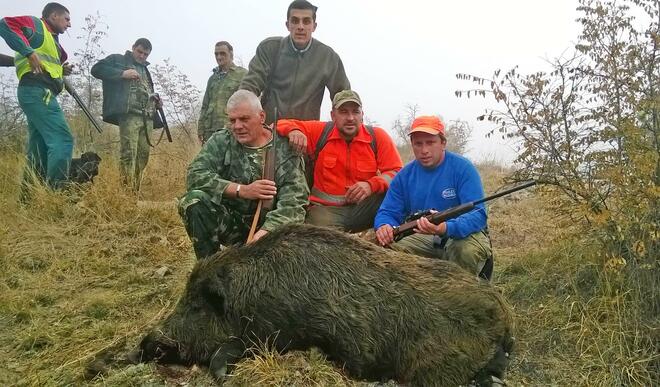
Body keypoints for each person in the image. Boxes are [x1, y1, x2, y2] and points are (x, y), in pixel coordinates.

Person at [179, 90, 309, 259]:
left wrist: (263, 235)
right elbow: (195, 176)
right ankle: (210, 267)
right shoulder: (222, 140)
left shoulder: (285, 149)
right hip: (233, 225)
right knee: (193, 200)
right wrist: (242, 190)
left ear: (262, 117)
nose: (237, 126)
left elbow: (294, 203)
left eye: (244, 119)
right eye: (232, 120)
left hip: (272, 231)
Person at [374, 116, 494, 280]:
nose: (424, 150)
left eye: (430, 142)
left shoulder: (463, 168)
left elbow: (478, 215)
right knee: (385, 250)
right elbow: (387, 211)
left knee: (465, 251)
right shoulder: (404, 176)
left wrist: (445, 228)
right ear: (412, 145)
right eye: (418, 144)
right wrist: (384, 225)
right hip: (423, 236)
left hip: (462, 235)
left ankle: (468, 296)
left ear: (443, 143)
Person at [277, 90, 402, 232]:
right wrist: (293, 130)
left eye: (355, 112)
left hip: (364, 207)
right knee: (321, 242)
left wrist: (370, 185)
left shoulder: (378, 136)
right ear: (333, 115)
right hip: (326, 210)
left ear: (362, 115)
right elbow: (279, 123)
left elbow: (397, 172)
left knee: (396, 202)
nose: (350, 118)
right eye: (343, 112)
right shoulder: (320, 132)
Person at [0, 3, 74, 196]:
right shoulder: (37, 26)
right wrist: (29, 52)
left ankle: (29, 199)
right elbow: (5, 24)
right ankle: (55, 198)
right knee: (62, 139)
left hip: (36, 93)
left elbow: (46, 63)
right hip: (39, 91)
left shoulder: (51, 39)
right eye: (66, 19)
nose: (69, 24)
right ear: (53, 15)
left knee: (38, 149)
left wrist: (61, 69)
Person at [240, 0, 350, 124]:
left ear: (314, 26)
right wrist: (241, 111)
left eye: (306, 21)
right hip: (268, 130)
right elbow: (250, 85)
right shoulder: (269, 48)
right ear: (288, 25)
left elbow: (343, 97)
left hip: (305, 135)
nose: (300, 27)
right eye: (295, 21)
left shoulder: (328, 57)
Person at [91, 38, 162, 191]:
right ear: (133, 48)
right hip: (129, 115)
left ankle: (134, 191)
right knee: (129, 153)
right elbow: (96, 69)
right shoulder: (118, 59)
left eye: (146, 54)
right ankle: (125, 193)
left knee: (143, 156)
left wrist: (156, 102)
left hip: (148, 117)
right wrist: (122, 73)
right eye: (140, 51)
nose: (142, 56)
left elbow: (146, 92)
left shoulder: (145, 70)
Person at [197, 41, 247, 144]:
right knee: (210, 160)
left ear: (231, 54)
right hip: (210, 131)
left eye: (222, 53)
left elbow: (248, 104)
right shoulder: (212, 78)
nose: (219, 57)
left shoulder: (242, 75)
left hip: (230, 130)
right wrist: (201, 128)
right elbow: (205, 105)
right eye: (216, 54)